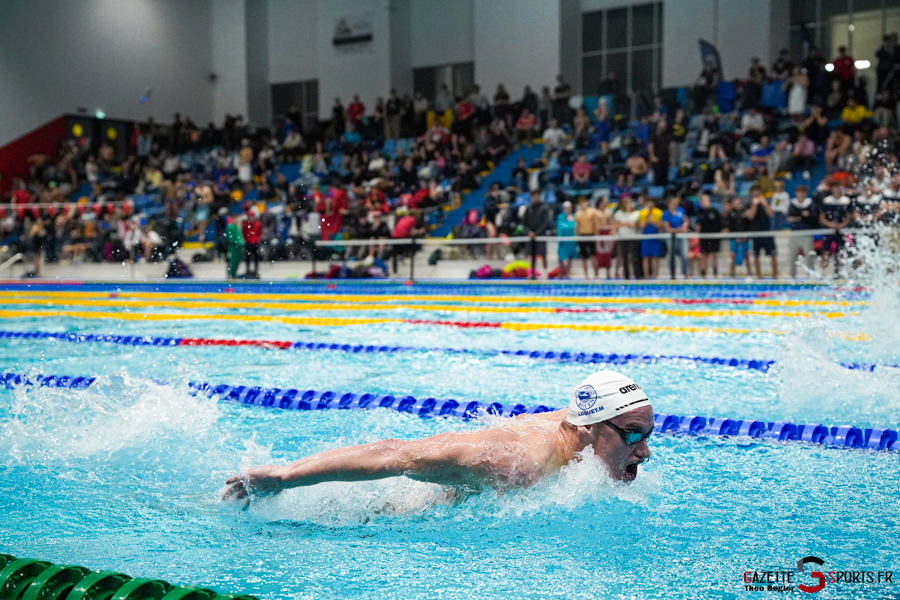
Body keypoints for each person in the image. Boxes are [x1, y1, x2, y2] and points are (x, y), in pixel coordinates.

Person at [222, 370, 654, 501]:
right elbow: (398, 455)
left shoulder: (581, 430)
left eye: (648, 435)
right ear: (585, 430)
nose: (645, 452)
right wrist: (284, 477)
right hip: (398, 514)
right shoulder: (515, 462)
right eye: (634, 435)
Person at [818, 181, 852, 275]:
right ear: (832, 189)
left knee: (840, 252)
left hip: (841, 229)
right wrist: (830, 224)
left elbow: (848, 216)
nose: (837, 190)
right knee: (826, 251)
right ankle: (822, 272)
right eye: (835, 188)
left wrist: (842, 225)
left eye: (838, 188)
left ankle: (838, 272)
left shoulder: (846, 201)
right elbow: (822, 216)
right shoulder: (827, 200)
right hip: (829, 229)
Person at [744, 186, 777, 279]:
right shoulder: (749, 203)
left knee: (773, 254)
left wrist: (764, 203)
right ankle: (759, 275)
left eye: (757, 191)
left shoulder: (766, 202)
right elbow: (750, 216)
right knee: (755, 256)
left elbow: (771, 213)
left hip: (767, 232)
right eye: (754, 191)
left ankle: (775, 274)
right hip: (755, 233)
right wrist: (754, 205)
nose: (756, 193)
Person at [786, 185, 817, 279]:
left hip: (807, 234)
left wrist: (798, 217)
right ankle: (792, 275)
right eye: (799, 192)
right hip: (795, 233)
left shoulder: (810, 203)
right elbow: (790, 219)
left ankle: (810, 275)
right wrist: (801, 216)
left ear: (806, 194)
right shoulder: (793, 203)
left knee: (809, 256)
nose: (801, 194)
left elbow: (813, 217)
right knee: (792, 256)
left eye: (803, 192)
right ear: (796, 193)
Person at [523, 190, 552, 275]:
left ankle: (545, 273)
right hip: (531, 236)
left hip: (541, 234)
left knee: (543, 254)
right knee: (532, 254)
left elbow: (546, 222)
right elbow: (524, 222)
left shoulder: (544, 207)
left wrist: (537, 232)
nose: (536, 197)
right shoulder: (528, 208)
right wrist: (529, 232)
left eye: (537, 196)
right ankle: (532, 273)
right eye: (534, 196)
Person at [660, 195, 688, 279]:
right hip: (670, 237)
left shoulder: (680, 210)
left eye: (675, 202)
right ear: (668, 204)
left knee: (684, 255)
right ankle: (672, 274)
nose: (674, 204)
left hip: (681, 236)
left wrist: (683, 228)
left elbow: (685, 221)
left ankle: (685, 273)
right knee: (671, 255)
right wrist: (677, 230)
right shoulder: (666, 213)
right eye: (672, 203)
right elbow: (667, 228)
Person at [613, 195, 640, 280]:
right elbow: (616, 225)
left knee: (634, 257)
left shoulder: (636, 213)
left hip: (633, 237)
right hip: (623, 237)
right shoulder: (619, 213)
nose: (629, 205)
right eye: (627, 203)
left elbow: (639, 225)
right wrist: (625, 224)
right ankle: (626, 276)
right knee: (624, 257)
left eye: (630, 203)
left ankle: (637, 275)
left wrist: (632, 225)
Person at [695, 193, 722, 278]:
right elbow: (699, 223)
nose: (707, 201)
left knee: (713, 254)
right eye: (705, 200)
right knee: (703, 254)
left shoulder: (714, 210)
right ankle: (703, 273)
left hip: (713, 236)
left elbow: (719, 222)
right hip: (704, 236)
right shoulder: (699, 211)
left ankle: (715, 272)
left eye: (707, 199)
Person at [724, 196, 751, 278]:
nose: (737, 204)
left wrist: (745, 236)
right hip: (734, 237)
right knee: (733, 254)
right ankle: (732, 272)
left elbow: (747, 224)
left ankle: (749, 271)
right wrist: (735, 236)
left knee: (746, 254)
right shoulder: (730, 213)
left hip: (744, 237)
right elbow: (729, 226)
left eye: (738, 202)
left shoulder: (744, 212)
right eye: (735, 203)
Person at [639, 195, 663, 280]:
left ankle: (655, 274)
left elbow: (660, 225)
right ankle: (646, 274)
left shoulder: (659, 212)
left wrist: (652, 221)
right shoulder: (642, 212)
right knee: (645, 257)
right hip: (646, 237)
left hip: (655, 237)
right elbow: (641, 226)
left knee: (655, 257)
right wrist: (647, 220)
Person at [575, 196, 598, 280]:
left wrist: (596, 235)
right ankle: (586, 275)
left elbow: (595, 224)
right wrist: (576, 237)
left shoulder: (592, 212)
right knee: (584, 257)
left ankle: (596, 275)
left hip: (591, 235)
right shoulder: (578, 214)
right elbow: (577, 226)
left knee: (593, 256)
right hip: (582, 236)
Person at [556, 201, 577, 278]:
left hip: (571, 239)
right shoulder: (560, 217)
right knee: (561, 255)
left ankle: (568, 272)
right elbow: (563, 226)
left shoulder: (573, 216)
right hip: (563, 239)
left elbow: (574, 227)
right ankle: (561, 273)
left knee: (570, 256)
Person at [647, 120, 671, 186]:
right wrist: (652, 156)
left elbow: (668, 146)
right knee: (658, 176)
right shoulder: (653, 135)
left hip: (665, 158)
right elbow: (650, 147)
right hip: (657, 159)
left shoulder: (666, 135)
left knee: (665, 176)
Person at [241, 208, 262, 278]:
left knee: (256, 258)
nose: (251, 218)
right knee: (247, 258)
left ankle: (256, 271)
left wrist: (257, 239)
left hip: (255, 243)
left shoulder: (258, 223)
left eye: (252, 216)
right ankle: (247, 270)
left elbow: (259, 232)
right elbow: (244, 232)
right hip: (248, 243)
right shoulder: (245, 224)